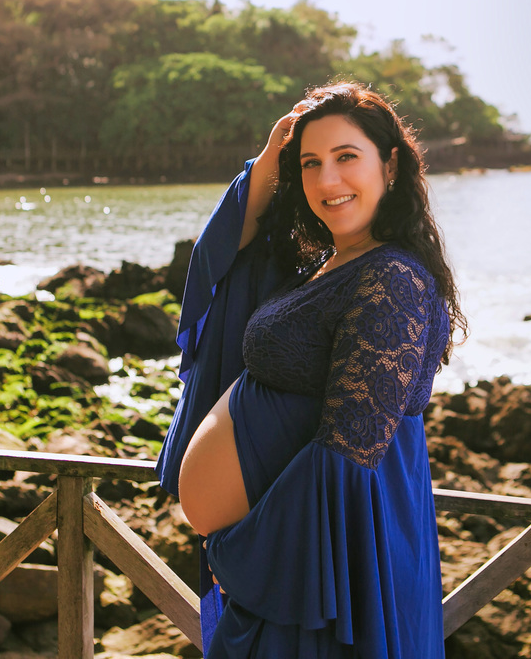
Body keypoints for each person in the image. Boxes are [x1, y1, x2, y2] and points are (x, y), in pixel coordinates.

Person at [156, 81, 466, 657]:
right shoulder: (320, 265)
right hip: (296, 557)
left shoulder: (391, 280)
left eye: (347, 157)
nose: (327, 181)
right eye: (310, 163)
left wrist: (245, 555)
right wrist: (269, 158)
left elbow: (347, 454)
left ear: (390, 165)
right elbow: (220, 261)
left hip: (323, 570)